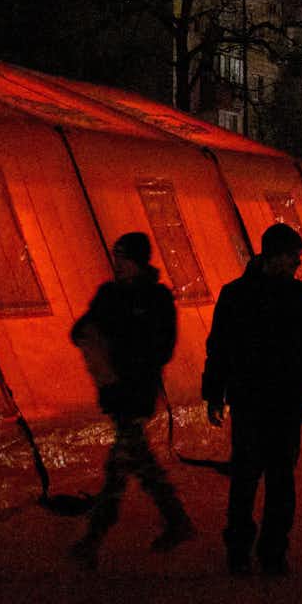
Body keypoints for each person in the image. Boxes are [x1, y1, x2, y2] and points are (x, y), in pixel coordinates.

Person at [201, 222, 302, 575]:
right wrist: (215, 392)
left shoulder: (241, 294)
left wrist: (216, 393)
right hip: (264, 401)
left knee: (265, 478)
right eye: (293, 257)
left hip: (266, 400)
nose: (297, 264)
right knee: (260, 477)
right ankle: (256, 550)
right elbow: (220, 347)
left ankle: (259, 549)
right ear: (275, 256)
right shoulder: (284, 296)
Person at [67, 232, 197, 569]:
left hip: (137, 390)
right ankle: (176, 520)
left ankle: (94, 539)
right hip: (115, 390)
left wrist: (130, 356)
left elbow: (163, 347)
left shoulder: (155, 298)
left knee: (121, 465)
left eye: (125, 258)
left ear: (140, 261)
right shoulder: (109, 295)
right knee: (133, 460)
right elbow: (81, 329)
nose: (119, 265)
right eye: (117, 258)